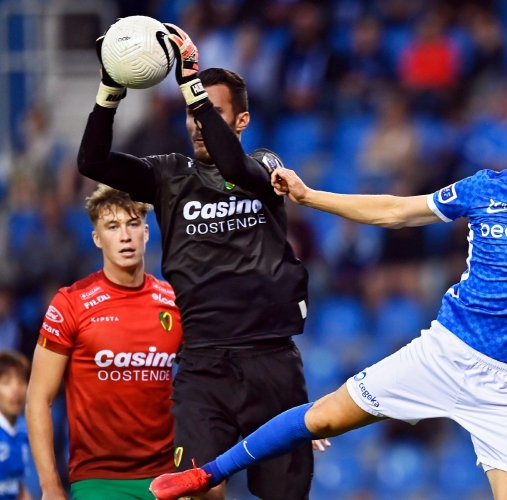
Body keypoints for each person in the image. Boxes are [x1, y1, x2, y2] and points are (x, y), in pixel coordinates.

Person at [150, 97, 507, 500]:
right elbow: (400, 210)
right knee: (321, 416)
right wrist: (311, 195)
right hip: (443, 354)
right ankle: (205, 475)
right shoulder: (487, 190)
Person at [76, 24, 325, 499]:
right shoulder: (168, 175)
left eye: (208, 111)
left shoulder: (265, 167)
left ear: (242, 120)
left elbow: (233, 167)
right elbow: (92, 161)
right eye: (191, 113)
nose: (195, 122)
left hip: (270, 362)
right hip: (203, 366)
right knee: (189, 492)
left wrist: (190, 84)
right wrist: (110, 89)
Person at [26, 185, 183, 499]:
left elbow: (209, 383)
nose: (125, 236)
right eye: (112, 227)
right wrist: (50, 487)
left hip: (168, 479)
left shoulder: (175, 302)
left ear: (147, 232)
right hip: (98, 481)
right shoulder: (70, 303)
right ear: (97, 238)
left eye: (132, 224)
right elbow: (38, 398)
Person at [0, 350, 31, 500]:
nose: (16, 390)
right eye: (6, 382)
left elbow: (16, 485)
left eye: (21, 381)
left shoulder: (24, 433)